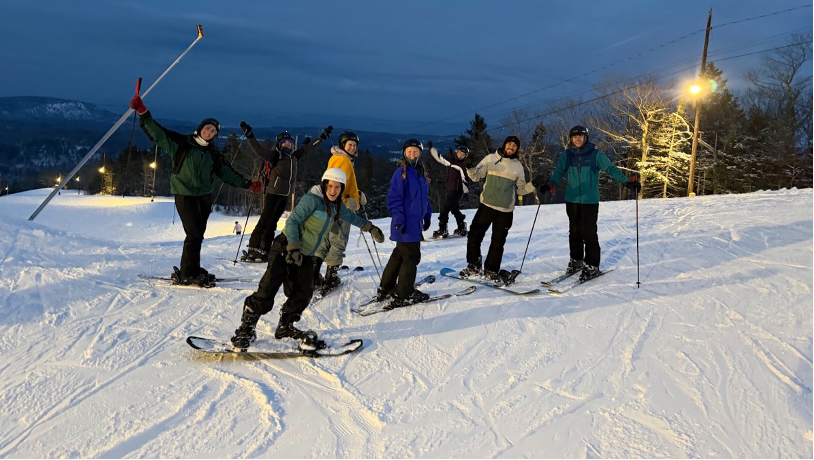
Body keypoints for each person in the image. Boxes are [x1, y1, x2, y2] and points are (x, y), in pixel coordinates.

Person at [230, 168, 385, 349]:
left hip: (306, 255)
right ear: (325, 184)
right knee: (268, 288)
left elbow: (351, 217)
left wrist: (370, 227)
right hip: (285, 248)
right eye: (331, 186)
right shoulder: (312, 200)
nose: (333, 190)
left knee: (304, 292)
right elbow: (293, 221)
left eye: (338, 187)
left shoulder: (336, 206)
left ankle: (285, 326)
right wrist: (293, 247)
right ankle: (246, 328)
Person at [129, 95, 262, 287]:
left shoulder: (212, 153)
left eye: (214, 130)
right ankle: (187, 274)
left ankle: (191, 268)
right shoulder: (182, 144)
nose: (210, 131)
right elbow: (159, 134)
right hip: (185, 196)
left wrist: (248, 184)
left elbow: (227, 173)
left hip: (204, 197)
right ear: (201, 127)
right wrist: (143, 111)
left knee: (198, 234)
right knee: (194, 234)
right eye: (208, 127)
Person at [533, 125, 640, 281]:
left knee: (589, 233)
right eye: (574, 136)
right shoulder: (567, 155)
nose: (577, 139)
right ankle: (576, 261)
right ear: (571, 139)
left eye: (580, 136)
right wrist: (550, 185)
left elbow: (611, 169)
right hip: (572, 200)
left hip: (590, 201)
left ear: (585, 138)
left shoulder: (596, 154)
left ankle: (592, 265)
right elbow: (558, 173)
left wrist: (627, 182)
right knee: (574, 232)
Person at [239, 122, 332, 262]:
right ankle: (253, 248)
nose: (288, 144)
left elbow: (309, 147)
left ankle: (265, 248)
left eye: (289, 142)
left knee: (273, 223)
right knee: (265, 221)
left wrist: (322, 137)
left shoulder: (294, 156)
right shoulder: (276, 156)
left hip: (285, 195)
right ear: (279, 144)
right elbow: (258, 150)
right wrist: (250, 136)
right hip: (273, 194)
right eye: (284, 142)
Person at [460, 135, 537, 285]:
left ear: (517, 149)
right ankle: (474, 266)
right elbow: (476, 176)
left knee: (498, 242)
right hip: (486, 206)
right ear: (504, 145)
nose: (511, 147)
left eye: (514, 146)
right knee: (474, 236)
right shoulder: (490, 159)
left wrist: (534, 184)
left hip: (505, 211)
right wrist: (469, 167)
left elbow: (521, 190)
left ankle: (491, 270)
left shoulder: (518, 167)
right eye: (509, 144)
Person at [371, 139, 432, 307]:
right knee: (411, 256)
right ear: (404, 153)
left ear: (420, 153)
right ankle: (405, 293)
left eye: (415, 151)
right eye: (409, 152)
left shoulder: (421, 173)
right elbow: (394, 199)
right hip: (405, 223)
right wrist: (399, 219)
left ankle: (386, 287)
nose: (412, 154)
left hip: (415, 223)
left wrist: (427, 214)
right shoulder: (401, 173)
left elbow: (424, 198)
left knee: (400, 254)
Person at [312, 131, 366, 293]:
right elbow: (335, 184)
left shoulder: (337, 157)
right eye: (349, 145)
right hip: (340, 208)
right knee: (338, 241)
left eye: (354, 145)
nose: (352, 147)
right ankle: (330, 278)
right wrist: (349, 201)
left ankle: (313, 276)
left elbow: (342, 182)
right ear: (343, 145)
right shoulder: (344, 160)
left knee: (324, 242)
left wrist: (357, 193)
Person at [428, 142, 471, 238]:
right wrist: (432, 149)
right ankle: (461, 226)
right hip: (450, 190)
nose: (460, 155)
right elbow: (439, 158)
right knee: (454, 209)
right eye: (459, 153)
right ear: (457, 152)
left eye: (463, 155)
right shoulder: (450, 161)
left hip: (457, 191)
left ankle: (442, 229)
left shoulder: (462, 166)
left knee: (444, 210)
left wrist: (466, 192)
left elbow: (465, 180)